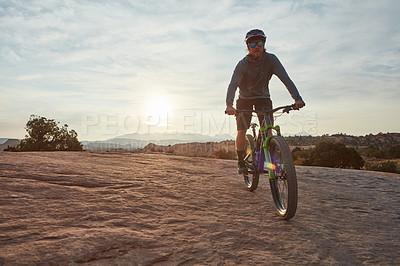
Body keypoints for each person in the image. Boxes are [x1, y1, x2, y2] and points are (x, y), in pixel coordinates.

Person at [225, 29, 305, 174]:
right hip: (244, 100)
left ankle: (264, 160)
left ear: (264, 44)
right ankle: (241, 161)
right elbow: (233, 84)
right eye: (253, 43)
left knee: (268, 130)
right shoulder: (242, 64)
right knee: (242, 130)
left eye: (260, 43)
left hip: (263, 98)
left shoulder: (271, 60)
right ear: (248, 46)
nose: (257, 46)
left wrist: (297, 98)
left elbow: (285, 79)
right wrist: (229, 105)